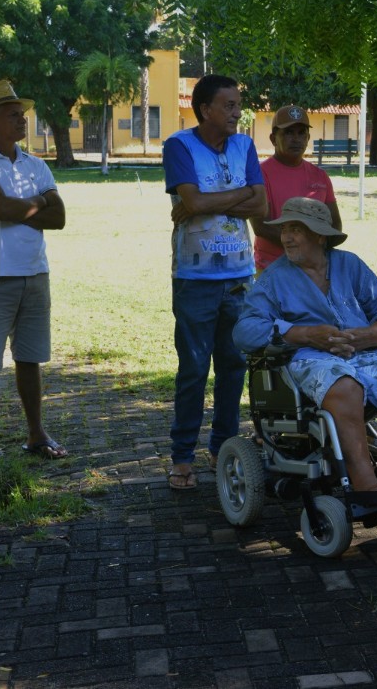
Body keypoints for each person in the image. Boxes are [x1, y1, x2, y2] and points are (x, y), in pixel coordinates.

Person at [233, 198, 377, 512]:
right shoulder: (275, 278)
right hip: (312, 359)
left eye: (297, 229)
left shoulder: (350, 265)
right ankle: (365, 484)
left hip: (369, 354)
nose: (286, 237)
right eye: (285, 229)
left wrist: (371, 334)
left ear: (320, 236)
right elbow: (245, 330)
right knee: (344, 387)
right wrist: (305, 334)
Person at [162, 74, 268, 490]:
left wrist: (204, 204)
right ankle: (182, 456)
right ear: (205, 109)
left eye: (238, 104)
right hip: (195, 278)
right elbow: (192, 201)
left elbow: (260, 203)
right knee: (192, 368)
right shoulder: (179, 146)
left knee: (233, 365)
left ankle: (223, 446)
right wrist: (221, 199)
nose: (237, 113)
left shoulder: (244, 145)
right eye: (228, 105)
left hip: (241, 277)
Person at [0, 80, 68, 463]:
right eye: (13, 114)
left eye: (22, 113)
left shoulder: (35, 164)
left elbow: (60, 218)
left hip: (34, 273)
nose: (23, 120)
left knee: (30, 359)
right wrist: (38, 202)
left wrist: (22, 205)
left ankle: (36, 433)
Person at [250, 104, 342, 273]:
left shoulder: (320, 176)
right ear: (273, 138)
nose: (296, 139)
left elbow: (335, 225)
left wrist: (313, 253)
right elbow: (261, 226)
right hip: (272, 268)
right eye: (288, 133)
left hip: (314, 270)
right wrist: (307, 247)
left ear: (308, 138)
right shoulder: (259, 174)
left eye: (301, 133)